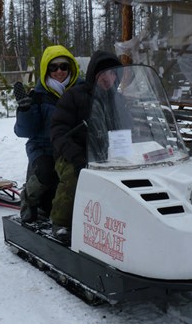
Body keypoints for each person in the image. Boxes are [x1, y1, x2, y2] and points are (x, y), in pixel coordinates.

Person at [49, 50, 123, 243]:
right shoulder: (74, 96)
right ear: (93, 75)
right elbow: (57, 131)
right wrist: (76, 155)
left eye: (112, 73)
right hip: (74, 154)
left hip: (112, 155)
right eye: (103, 74)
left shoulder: (119, 100)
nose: (108, 78)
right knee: (75, 176)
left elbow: (130, 128)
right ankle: (61, 222)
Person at [14, 45, 81, 223]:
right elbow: (24, 131)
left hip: (71, 147)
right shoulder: (38, 95)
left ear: (71, 68)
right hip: (44, 147)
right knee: (46, 171)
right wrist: (25, 110)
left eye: (64, 66)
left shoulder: (81, 91)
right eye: (54, 67)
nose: (59, 71)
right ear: (46, 69)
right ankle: (29, 199)